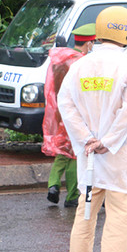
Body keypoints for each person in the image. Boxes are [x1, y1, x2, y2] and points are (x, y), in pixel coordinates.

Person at [57, 6, 127, 252]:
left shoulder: (80, 65)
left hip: (89, 156)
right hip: (120, 155)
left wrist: (86, 140)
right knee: (119, 214)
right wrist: (108, 141)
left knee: (86, 212)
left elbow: (65, 104)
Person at [42, 23, 96, 207]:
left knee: (61, 149)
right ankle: (73, 195)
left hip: (58, 111)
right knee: (74, 153)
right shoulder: (81, 62)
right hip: (75, 112)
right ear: (89, 43)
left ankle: (53, 184)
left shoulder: (59, 60)